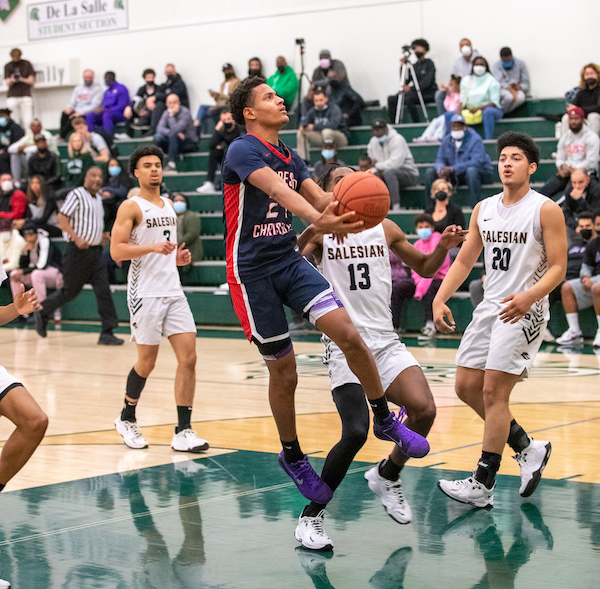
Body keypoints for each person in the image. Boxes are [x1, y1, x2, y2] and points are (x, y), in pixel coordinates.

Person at [223, 76, 428, 506]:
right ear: (249, 112)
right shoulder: (243, 149)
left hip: (287, 261)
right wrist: (321, 222)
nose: (280, 100)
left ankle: (384, 419)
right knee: (285, 371)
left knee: (350, 335)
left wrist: (346, 209)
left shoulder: (290, 154)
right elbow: (279, 191)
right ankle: (293, 456)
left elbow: (318, 197)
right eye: (268, 97)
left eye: (277, 95)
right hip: (251, 273)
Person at [295, 165, 464, 550]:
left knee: (424, 410)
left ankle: (387, 473)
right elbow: (288, 262)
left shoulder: (384, 227)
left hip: (385, 341)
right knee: (355, 431)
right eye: (340, 178)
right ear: (324, 192)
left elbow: (423, 267)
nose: (350, 179)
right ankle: (311, 516)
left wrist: (441, 246)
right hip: (344, 342)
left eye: (353, 174)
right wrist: (314, 228)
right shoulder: (321, 234)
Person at [433, 132, 567, 507]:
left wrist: (529, 296)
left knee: (494, 393)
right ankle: (527, 448)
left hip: (525, 308)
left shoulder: (545, 209)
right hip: (490, 305)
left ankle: (483, 481)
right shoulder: (484, 208)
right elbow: (464, 259)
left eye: (516, 158)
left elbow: (558, 266)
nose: (507, 163)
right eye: (503, 157)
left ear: (532, 167)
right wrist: (440, 296)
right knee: (465, 386)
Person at [110, 145, 209, 453]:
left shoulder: (168, 204)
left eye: (158, 165)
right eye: (147, 165)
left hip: (172, 290)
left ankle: (183, 430)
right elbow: (117, 251)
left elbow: (165, 249)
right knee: (147, 362)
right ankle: (127, 417)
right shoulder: (131, 206)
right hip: (145, 293)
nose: (154, 169)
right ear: (136, 172)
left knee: (189, 358)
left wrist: (177, 259)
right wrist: (151, 249)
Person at [33, 167, 124, 345]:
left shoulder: (98, 198)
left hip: (96, 253)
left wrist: (102, 236)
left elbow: (91, 225)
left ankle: (107, 331)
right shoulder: (77, 194)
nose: (97, 179)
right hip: (77, 252)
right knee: (70, 292)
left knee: (104, 291)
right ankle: (43, 310)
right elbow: (61, 218)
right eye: (93, 175)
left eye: (100, 176)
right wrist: (76, 238)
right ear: (86, 178)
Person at [425, 114, 493, 206]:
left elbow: (477, 161)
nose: (457, 128)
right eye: (454, 125)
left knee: (471, 171)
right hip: (454, 175)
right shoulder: (446, 140)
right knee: (430, 172)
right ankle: (430, 208)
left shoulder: (475, 139)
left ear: (465, 127)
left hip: (475, 173)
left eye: (460, 125)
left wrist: (453, 168)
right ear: (450, 127)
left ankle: (475, 207)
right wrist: (440, 168)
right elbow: (439, 158)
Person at [555, 212, 600, 347]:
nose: (599, 227)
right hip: (594, 283)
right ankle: (574, 331)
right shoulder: (593, 244)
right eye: (597, 224)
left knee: (596, 287)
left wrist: (594, 280)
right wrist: (585, 278)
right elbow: (586, 267)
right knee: (567, 287)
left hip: (597, 283)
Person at [539, 106, 600, 198]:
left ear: (583, 120)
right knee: (542, 193)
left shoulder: (592, 137)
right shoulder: (565, 137)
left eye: (576, 119)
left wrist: (573, 170)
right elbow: (560, 158)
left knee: (568, 194)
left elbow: (591, 162)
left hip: (585, 174)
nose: (573, 122)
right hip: (566, 173)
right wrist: (562, 166)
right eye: (571, 119)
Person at [409, 213, 451, 339]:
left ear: (432, 228)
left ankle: (430, 325)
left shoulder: (437, 240)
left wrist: (421, 286)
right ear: (416, 230)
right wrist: (418, 282)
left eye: (426, 226)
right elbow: (414, 268)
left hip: (440, 278)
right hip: (421, 279)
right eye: (420, 227)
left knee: (429, 289)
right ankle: (394, 327)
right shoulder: (416, 244)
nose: (423, 229)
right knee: (399, 288)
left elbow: (434, 267)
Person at [10, 220, 63, 313]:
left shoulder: (44, 241)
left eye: (31, 235)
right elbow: (23, 266)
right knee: (14, 274)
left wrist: (23, 272)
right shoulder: (27, 245)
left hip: (55, 273)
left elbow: (42, 265)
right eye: (26, 236)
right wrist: (24, 253)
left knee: (36, 274)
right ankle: (21, 310)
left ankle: (41, 310)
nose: (29, 238)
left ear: (36, 234)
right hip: (36, 274)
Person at [445, 57, 503, 140]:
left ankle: (488, 140)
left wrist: (479, 108)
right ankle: (449, 141)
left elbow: (494, 102)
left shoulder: (492, 80)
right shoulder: (466, 80)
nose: (479, 67)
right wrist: (458, 112)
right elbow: (463, 99)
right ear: (472, 66)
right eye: (476, 65)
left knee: (488, 113)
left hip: (489, 109)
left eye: (481, 65)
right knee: (449, 115)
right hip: (470, 110)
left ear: (486, 66)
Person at [367, 119, 418, 210]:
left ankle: (395, 206)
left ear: (385, 129)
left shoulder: (398, 139)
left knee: (389, 173)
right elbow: (372, 161)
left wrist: (377, 166)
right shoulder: (373, 142)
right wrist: (376, 168)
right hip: (384, 172)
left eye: (379, 129)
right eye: (374, 130)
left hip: (407, 173)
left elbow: (395, 164)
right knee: (371, 175)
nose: (376, 132)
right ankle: (378, 207)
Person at [388, 39, 437, 123]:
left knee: (409, 98)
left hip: (427, 93)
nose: (417, 50)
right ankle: (393, 123)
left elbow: (427, 82)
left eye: (419, 47)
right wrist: (402, 67)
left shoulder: (429, 64)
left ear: (425, 50)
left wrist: (411, 88)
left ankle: (416, 122)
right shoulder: (414, 66)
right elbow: (405, 81)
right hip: (414, 92)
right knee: (392, 99)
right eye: (415, 47)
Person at [196, 108, 244, 194]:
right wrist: (217, 130)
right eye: (224, 120)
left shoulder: (240, 129)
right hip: (227, 157)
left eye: (228, 119)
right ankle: (209, 183)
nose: (226, 122)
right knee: (215, 152)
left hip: (240, 157)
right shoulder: (222, 131)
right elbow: (211, 145)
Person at [296, 89, 348, 162]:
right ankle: (304, 160)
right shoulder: (313, 110)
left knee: (326, 131)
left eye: (321, 100)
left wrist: (314, 127)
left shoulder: (334, 108)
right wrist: (303, 126)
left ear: (326, 99)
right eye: (316, 101)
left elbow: (334, 125)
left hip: (339, 137)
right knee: (301, 133)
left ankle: (330, 159)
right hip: (321, 137)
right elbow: (305, 121)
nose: (318, 103)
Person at [153, 94, 198, 173]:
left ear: (179, 103)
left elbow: (176, 129)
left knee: (173, 136)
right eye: (170, 103)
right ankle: (159, 161)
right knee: (157, 137)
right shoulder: (165, 113)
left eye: (174, 102)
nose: (172, 105)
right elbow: (159, 129)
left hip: (187, 140)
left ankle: (171, 164)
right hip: (173, 139)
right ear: (166, 104)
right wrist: (171, 133)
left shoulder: (185, 112)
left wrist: (171, 116)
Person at [435, 38, 480, 115]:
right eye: (462, 45)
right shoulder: (457, 62)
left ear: (471, 46)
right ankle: (443, 119)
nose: (464, 47)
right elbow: (453, 78)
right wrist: (450, 87)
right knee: (439, 94)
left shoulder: (479, 60)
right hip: (459, 90)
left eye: (467, 45)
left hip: (473, 90)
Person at [7, 118, 58, 186]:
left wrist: (25, 147)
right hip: (33, 166)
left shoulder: (46, 134)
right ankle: (17, 182)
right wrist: (24, 147)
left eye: (37, 126)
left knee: (30, 152)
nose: (35, 128)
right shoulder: (29, 135)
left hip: (48, 164)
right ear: (30, 127)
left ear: (41, 127)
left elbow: (42, 146)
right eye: (33, 126)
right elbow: (11, 149)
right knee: (15, 155)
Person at [414, 75, 461, 143]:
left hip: (454, 115)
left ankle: (437, 136)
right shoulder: (450, 95)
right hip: (447, 114)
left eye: (451, 85)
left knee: (443, 121)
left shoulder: (461, 95)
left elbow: (454, 108)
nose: (449, 87)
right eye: (449, 85)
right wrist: (448, 97)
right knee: (435, 120)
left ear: (458, 86)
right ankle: (424, 137)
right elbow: (446, 106)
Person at [85, 71, 130, 142]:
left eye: (108, 79)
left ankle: (108, 137)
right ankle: (90, 135)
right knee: (90, 115)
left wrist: (105, 110)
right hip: (106, 113)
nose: (106, 81)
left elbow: (122, 106)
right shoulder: (106, 92)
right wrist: (99, 109)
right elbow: (103, 105)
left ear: (113, 79)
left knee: (106, 115)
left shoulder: (122, 88)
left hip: (119, 114)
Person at [147, 64, 190, 137]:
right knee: (156, 105)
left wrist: (156, 98)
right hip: (168, 113)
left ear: (175, 72)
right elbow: (159, 92)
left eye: (171, 72)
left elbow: (170, 95)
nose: (169, 75)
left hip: (179, 110)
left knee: (160, 105)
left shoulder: (180, 84)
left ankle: (153, 130)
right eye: (167, 73)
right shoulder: (166, 84)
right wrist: (152, 99)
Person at [59, 69, 103, 140]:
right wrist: (69, 108)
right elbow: (73, 101)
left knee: (73, 119)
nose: (87, 79)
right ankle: (62, 136)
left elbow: (94, 105)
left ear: (92, 77)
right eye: (86, 77)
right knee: (65, 113)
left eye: (89, 77)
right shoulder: (78, 88)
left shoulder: (98, 89)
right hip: (76, 110)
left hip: (87, 112)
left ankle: (62, 136)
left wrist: (80, 113)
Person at [556, 168, 600, 234]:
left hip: (594, 223)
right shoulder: (570, 189)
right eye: (574, 182)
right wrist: (576, 226)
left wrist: (580, 199)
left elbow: (595, 213)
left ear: (588, 179)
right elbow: (566, 212)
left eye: (581, 182)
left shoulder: (597, 189)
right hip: (579, 222)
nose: (577, 186)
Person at [561, 63, 600, 136]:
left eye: (592, 73)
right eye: (587, 74)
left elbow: (598, 108)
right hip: (582, 119)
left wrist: (580, 109)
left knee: (593, 116)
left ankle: (594, 144)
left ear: (598, 75)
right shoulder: (581, 93)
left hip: (596, 118)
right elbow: (574, 107)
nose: (589, 76)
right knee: (566, 117)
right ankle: (567, 144)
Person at [3, 48, 35, 130]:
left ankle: (28, 138)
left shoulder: (26, 64)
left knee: (27, 121)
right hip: (12, 95)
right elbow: (7, 81)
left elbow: (31, 80)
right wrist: (12, 80)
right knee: (14, 121)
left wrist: (21, 79)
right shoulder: (8, 66)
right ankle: (17, 138)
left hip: (25, 94)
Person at [492, 47, 530, 114]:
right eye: (504, 60)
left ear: (511, 56)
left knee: (520, 98)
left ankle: (504, 113)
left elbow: (526, 83)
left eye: (508, 59)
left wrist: (520, 87)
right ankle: (499, 112)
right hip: (504, 89)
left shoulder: (520, 64)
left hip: (517, 89)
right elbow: (498, 82)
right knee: (509, 97)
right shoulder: (497, 66)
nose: (506, 61)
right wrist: (509, 87)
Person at [173, 193, 203, 269]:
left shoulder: (191, 216)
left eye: (181, 201)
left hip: (190, 251)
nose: (178, 203)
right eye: (176, 201)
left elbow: (192, 234)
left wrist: (175, 245)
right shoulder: (169, 216)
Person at [0, 107, 24, 176]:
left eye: (2, 116)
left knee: (3, 157)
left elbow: (18, 142)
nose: (1, 118)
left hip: (11, 152)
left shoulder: (15, 128)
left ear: (8, 116)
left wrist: (4, 150)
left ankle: (7, 178)